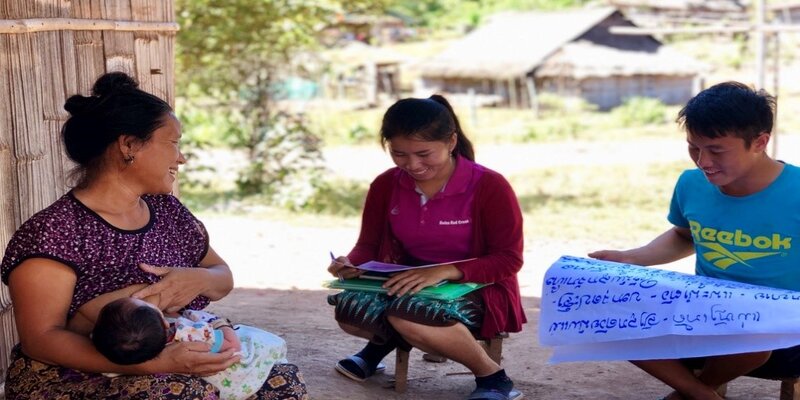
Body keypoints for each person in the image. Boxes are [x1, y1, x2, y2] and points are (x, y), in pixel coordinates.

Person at [0, 71, 307, 399]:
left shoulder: (167, 211)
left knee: (281, 380)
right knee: (177, 392)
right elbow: (42, 339)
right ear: (129, 144)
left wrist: (196, 280)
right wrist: (154, 364)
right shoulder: (54, 231)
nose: (181, 157)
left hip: (173, 349)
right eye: (173, 143)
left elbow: (223, 277)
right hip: (71, 374)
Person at [590, 81, 799, 400]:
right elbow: (683, 235)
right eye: (693, 147)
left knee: (755, 334)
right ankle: (700, 393)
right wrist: (631, 258)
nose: (702, 161)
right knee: (606, 310)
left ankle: (690, 393)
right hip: (707, 319)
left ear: (760, 142)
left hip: (784, 336)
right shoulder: (692, 184)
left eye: (716, 150)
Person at [327, 95, 525, 400]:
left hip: (479, 287)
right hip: (406, 284)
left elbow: (508, 260)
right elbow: (367, 244)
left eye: (423, 153)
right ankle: (380, 345)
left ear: (451, 142)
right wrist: (351, 264)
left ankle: (493, 377)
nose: (413, 165)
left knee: (409, 313)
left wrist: (444, 271)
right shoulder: (386, 185)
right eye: (399, 154)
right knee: (348, 307)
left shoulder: (489, 186)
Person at [93, 296, 288, 400]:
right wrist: (221, 324)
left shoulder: (116, 356)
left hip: (209, 388)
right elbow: (232, 347)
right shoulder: (188, 334)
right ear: (164, 324)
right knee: (255, 341)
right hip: (234, 381)